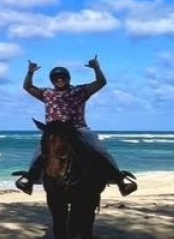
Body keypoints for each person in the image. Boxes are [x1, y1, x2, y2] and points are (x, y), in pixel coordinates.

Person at [15, 56, 137, 196]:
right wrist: (30, 72)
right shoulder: (47, 94)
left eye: (62, 77)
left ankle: (119, 179)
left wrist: (97, 68)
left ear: (68, 78)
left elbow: (101, 82)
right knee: (40, 152)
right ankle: (29, 179)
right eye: (56, 78)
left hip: (78, 129)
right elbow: (28, 87)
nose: (59, 79)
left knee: (99, 149)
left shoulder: (80, 91)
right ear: (52, 80)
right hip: (54, 132)